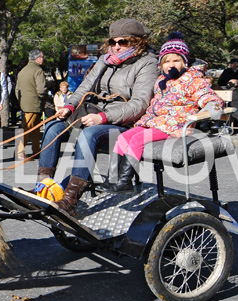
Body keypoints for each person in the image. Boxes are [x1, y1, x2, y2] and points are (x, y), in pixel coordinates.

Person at [37, 19, 159, 215]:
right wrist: (69, 106)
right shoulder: (105, 60)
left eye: (123, 42)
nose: (117, 46)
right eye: (113, 42)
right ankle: (43, 189)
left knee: (89, 134)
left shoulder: (148, 63)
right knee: (53, 128)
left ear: (138, 42)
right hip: (93, 115)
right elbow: (84, 88)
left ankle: (70, 199)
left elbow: (140, 104)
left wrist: (103, 117)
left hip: (124, 123)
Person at [110, 35, 223, 191]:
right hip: (156, 122)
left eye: (176, 60)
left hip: (175, 125)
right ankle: (113, 178)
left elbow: (207, 96)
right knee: (123, 137)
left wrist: (212, 107)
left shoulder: (193, 80)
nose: (171, 65)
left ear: (185, 62)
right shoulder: (161, 81)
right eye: (166, 61)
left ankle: (124, 181)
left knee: (137, 139)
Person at [15, 49, 46, 157]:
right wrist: (42, 98)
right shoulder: (38, 70)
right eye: (42, 57)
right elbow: (41, 89)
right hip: (34, 102)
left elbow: (16, 89)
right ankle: (19, 152)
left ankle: (36, 150)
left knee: (35, 128)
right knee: (27, 128)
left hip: (25, 102)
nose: (43, 59)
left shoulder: (22, 70)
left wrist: (21, 101)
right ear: (36, 58)